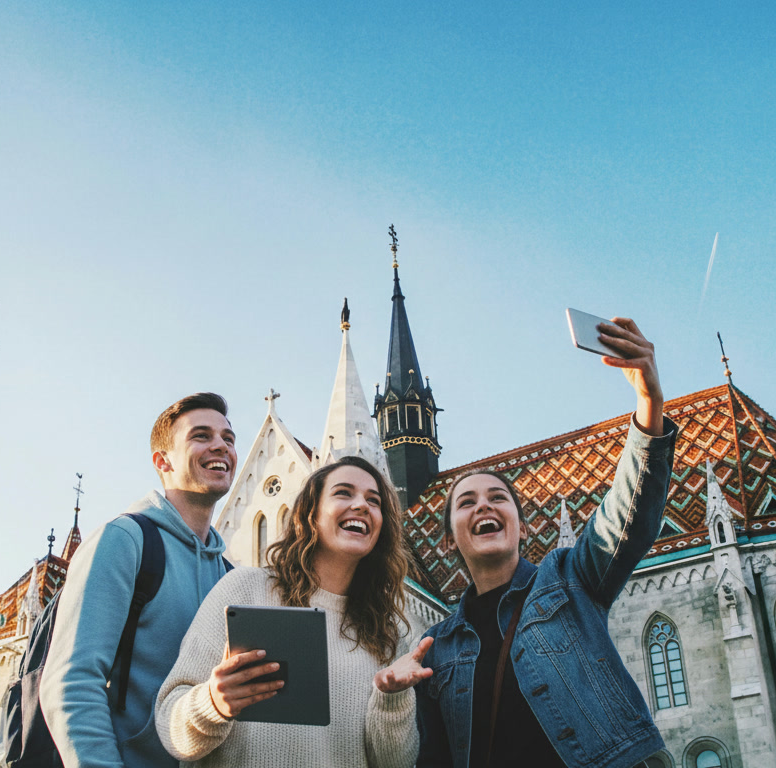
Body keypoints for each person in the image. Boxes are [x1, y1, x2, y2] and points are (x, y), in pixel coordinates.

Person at [415, 317, 679, 768]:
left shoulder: (571, 579)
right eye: (467, 502)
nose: (484, 507)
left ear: (522, 526)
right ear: (447, 542)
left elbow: (629, 516)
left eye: (498, 498)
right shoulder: (434, 648)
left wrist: (649, 404)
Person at [155, 455, 430, 768]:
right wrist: (214, 704)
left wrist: (392, 699)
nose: (361, 505)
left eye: (374, 500)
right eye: (343, 492)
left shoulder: (387, 630)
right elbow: (169, 726)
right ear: (311, 514)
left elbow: (395, 764)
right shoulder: (245, 589)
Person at [42, 393, 238, 768]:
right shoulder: (124, 540)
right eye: (201, 436)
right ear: (162, 462)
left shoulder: (230, 575)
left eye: (228, 439)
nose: (220, 446)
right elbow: (72, 682)